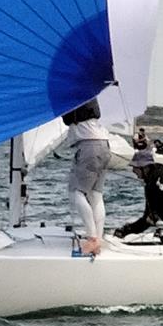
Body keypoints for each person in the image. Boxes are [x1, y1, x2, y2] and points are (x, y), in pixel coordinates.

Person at [63, 97, 111, 255]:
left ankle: (92, 239)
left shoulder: (74, 101)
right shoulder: (89, 98)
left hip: (88, 146)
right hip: (104, 145)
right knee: (96, 194)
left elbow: (65, 117)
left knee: (77, 193)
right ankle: (98, 238)